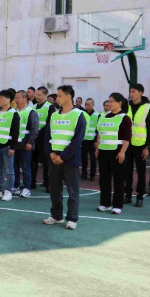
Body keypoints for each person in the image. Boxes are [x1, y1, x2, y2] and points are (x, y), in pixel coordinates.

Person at [43, 85, 86, 230]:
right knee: (55, 190)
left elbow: (77, 141)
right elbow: (47, 137)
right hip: (54, 158)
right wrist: (51, 153)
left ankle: (72, 218)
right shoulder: (54, 115)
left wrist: (63, 156)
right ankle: (56, 216)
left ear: (69, 97)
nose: (57, 98)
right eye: (57, 95)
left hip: (70, 160)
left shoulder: (79, 115)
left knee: (73, 191)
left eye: (60, 95)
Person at [95, 93, 132, 215]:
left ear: (120, 103)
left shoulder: (124, 118)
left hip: (117, 152)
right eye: (109, 101)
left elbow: (127, 138)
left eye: (112, 101)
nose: (109, 103)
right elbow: (99, 133)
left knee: (118, 179)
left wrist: (122, 152)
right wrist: (97, 148)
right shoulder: (103, 116)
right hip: (103, 152)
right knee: (104, 179)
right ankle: (105, 204)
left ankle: (117, 205)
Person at [124, 84, 150, 207]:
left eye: (134, 91)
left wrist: (147, 147)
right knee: (127, 171)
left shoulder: (148, 108)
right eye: (130, 91)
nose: (131, 94)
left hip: (141, 145)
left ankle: (140, 196)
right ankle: (127, 195)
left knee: (141, 172)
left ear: (141, 93)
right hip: (127, 144)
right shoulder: (126, 106)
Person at [13, 90, 38, 198]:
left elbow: (34, 129)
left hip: (25, 143)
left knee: (26, 167)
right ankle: (16, 186)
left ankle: (27, 188)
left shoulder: (31, 112)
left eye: (18, 98)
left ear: (24, 98)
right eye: (15, 98)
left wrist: (30, 142)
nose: (15, 100)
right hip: (14, 144)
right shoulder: (13, 111)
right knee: (14, 166)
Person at [32, 86, 57, 193]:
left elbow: (49, 123)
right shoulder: (33, 107)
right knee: (33, 161)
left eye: (40, 95)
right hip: (34, 138)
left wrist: (40, 132)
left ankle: (47, 184)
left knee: (46, 162)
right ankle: (32, 182)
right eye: (36, 95)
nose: (37, 97)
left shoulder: (50, 107)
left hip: (44, 138)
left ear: (45, 95)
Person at [81, 98, 99, 182]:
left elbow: (98, 129)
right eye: (85, 104)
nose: (86, 106)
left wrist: (96, 141)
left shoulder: (97, 115)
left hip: (92, 141)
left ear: (93, 105)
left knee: (93, 159)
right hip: (83, 140)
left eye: (88, 104)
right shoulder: (82, 114)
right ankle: (84, 174)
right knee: (83, 159)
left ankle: (92, 175)